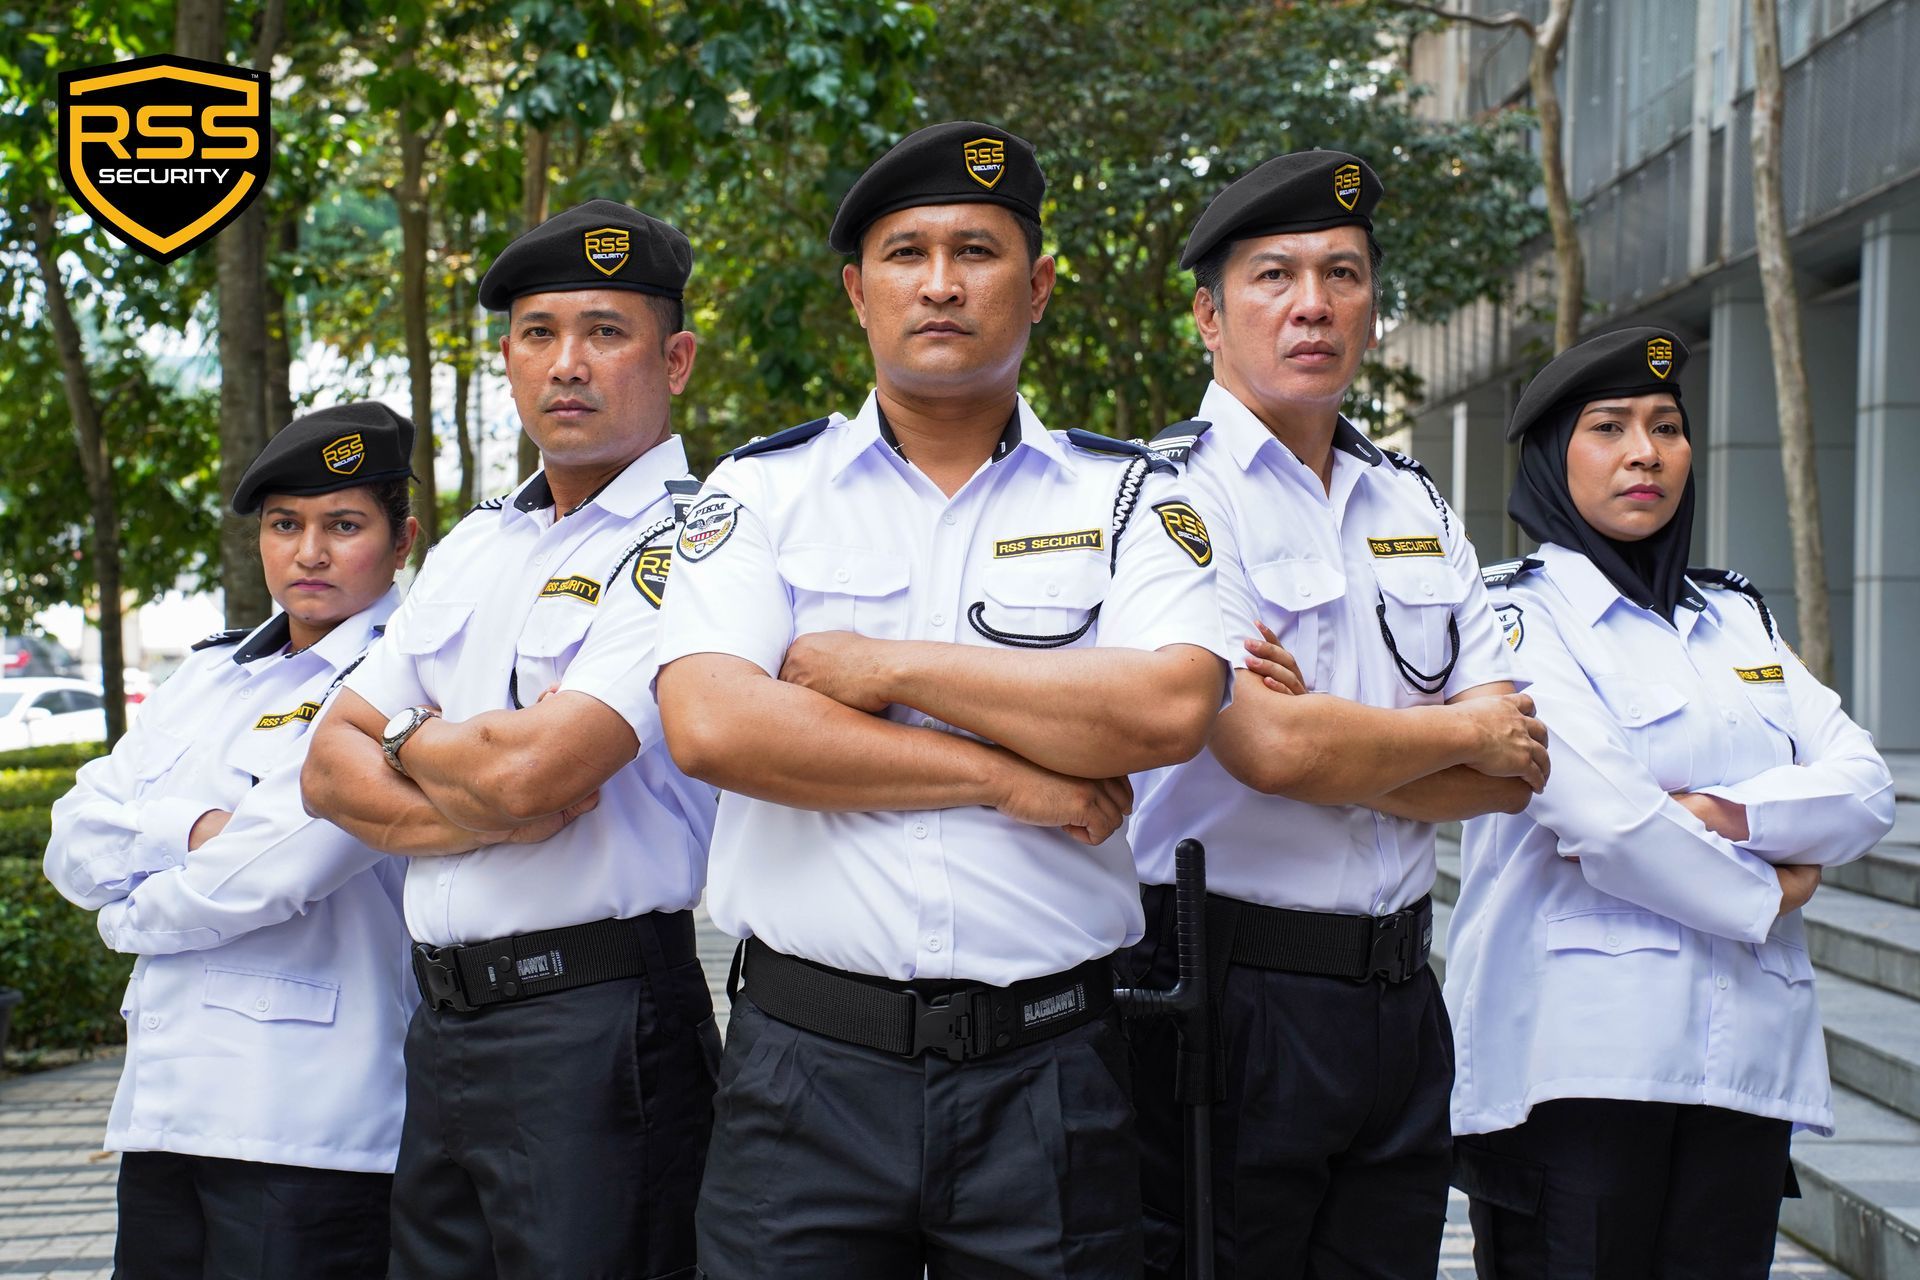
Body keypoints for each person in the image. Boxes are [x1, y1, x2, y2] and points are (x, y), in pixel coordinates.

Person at [654, 120, 1233, 1280]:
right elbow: (716, 722)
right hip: (805, 1072)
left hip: (1048, 1075)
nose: (940, 282)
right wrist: (1008, 774)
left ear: (1039, 286)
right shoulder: (759, 492)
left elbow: (1166, 706)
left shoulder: (1131, 496)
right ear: (858, 291)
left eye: (976, 250)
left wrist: (885, 668)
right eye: (907, 253)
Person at [1121, 149, 1553, 1279]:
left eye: (1343, 274)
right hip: (1222, 993)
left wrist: (1339, 736)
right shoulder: (1164, 496)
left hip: (1401, 998)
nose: (1313, 303)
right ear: (1209, 318)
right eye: (1275, 276)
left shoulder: (1411, 501)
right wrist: (1454, 732)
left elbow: (1519, 770)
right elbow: (1269, 746)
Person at [300, 200, 718, 1280]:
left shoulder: (698, 537)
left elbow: (543, 769)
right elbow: (323, 762)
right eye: (539, 333)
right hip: (442, 1029)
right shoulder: (478, 544)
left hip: (597, 1030)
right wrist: (461, 777)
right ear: (507, 358)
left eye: (604, 331)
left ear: (673, 357)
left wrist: (403, 739)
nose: (566, 363)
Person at [1446, 326, 1896, 1279]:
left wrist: (1718, 815)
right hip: (1576, 1071)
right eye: (1608, 427)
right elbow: (1606, 820)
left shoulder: (1733, 617)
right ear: (1550, 458)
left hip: (1743, 1067)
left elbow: (1862, 785)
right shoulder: (1511, 615)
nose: (1645, 452)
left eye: (1665, 425)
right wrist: (1769, 890)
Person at [44, 402, 420, 1279]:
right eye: (285, 524)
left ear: (402, 542)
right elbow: (73, 836)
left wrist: (122, 913)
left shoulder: (406, 673)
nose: (310, 552)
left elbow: (272, 872)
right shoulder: (211, 674)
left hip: (309, 1117)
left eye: (345, 525)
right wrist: (195, 829)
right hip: (166, 1103)